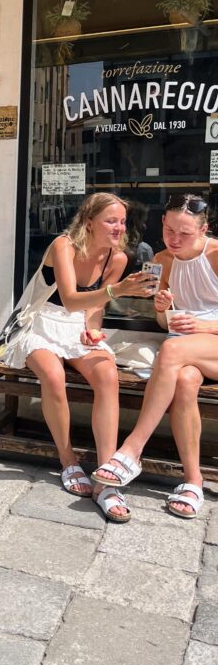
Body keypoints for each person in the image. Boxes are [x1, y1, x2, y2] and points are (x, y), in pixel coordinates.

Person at [1, 192, 156, 521]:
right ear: (89, 223)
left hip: (76, 325)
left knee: (107, 375)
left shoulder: (117, 259)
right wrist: (119, 291)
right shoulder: (64, 246)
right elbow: (70, 299)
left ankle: (105, 476)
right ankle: (68, 460)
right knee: (54, 377)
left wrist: (94, 330)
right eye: (110, 221)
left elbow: (93, 308)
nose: (118, 228)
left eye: (122, 221)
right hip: (41, 321)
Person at [93, 193, 215, 519]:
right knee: (186, 382)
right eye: (170, 229)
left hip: (208, 345)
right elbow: (166, 323)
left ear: (204, 229)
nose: (175, 239)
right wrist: (162, 310)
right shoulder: (163, 259)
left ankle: (132, 449)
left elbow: (188, 329)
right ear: (162, 222)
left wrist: (203, 324)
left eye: (185, 233)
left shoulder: (216, 254)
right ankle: (193, 481)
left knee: (172, 349)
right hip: (188, 353)